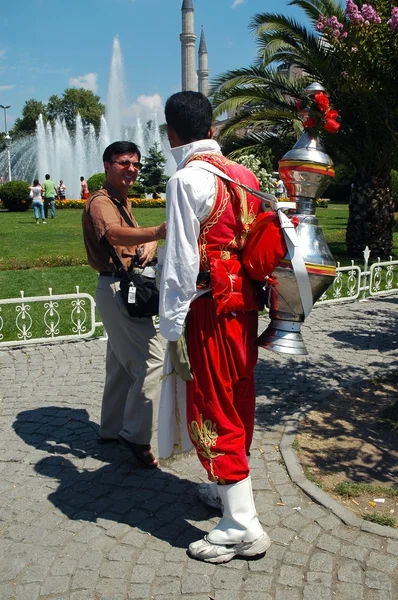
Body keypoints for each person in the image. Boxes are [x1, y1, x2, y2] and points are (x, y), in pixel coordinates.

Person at [159, 91, 271, 563]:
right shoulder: (243, 175)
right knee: (238, 398)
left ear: (170, 134)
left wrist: (171, 322)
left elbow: (181, 260)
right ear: (211, 129)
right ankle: (227, 493)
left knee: (213, 403)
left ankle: (241, 526)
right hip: (244, 306)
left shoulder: (186, 179)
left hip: (208, 308)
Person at [82, 140, 166, 469]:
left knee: (119, 364)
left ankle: (111, 428)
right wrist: (157, 230)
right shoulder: (101, 201)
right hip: (117, 287)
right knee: (153, 361)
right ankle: (135, 434)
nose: (130, 169)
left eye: (135, 164)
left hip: (119, 284)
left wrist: (148, 241)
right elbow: (114, 235)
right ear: (107, 165)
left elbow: (131, 237)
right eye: (122, 163)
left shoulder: (121, 200)